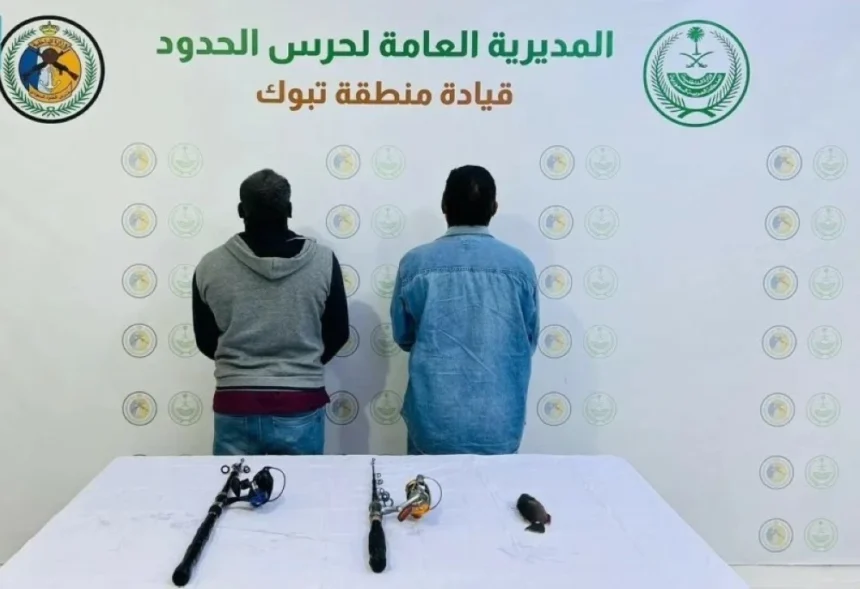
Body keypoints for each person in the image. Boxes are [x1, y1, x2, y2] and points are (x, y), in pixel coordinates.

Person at [192, 169, 349, 456]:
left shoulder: (210, 266)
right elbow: (338, 332)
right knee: (301, 485)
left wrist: (243, 366)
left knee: (233, 486)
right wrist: (302, 363)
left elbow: (205, 340)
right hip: (301, 400)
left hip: (235, 402)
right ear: (289, 209)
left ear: (241, 211)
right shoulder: (323, 262)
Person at [390, 165, 539, 455]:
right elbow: (527, 340)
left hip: (433, 422)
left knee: (427, 486)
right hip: (500, 423)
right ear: (494, 208)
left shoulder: (415, 264)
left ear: (444, 205)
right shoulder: (520, 266)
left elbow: (404, 336)